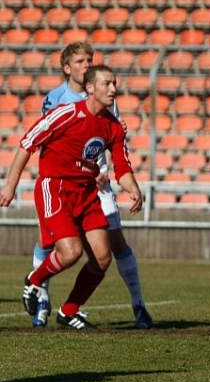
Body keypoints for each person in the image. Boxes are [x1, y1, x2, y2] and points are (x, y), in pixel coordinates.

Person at [0, 65, 144, 330]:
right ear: (90, 88)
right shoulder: (67, 114)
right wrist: (10, 185)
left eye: (114, 83)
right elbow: (27, 143)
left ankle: (68, 312)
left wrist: (133, 189)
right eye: (107, 84)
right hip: (55, 188)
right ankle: (34, 280)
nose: (113, 89)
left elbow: (122, 167)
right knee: (71, 252)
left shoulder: (114, 127)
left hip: (86, 194)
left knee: (102, 258)